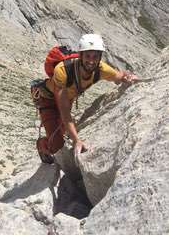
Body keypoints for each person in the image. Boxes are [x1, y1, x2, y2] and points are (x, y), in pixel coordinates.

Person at [36, 33, 138, 164]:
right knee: (56, 145)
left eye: (95, 56)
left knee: (60, 133)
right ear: (81, 55)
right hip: (48, 100)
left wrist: (128, 76)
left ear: (100, 57)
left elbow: (119, 76)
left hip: (67, 99)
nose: (91, 60)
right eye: (88, 56)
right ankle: (41, 145)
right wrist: (76, 140)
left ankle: (52, 139)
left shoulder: (101, 69)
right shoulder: (62, 70)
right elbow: (65, 113)